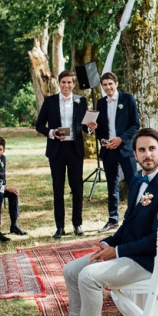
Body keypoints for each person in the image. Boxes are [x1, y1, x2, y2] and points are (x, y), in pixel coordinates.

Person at [54, 128, 158, 316]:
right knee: (71, 270)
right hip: (131, 251)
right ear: (134, 154)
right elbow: (128, 224)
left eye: (152, 149)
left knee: (89, 276)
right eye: (141, 150)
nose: (147, 155)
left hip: (151, 261)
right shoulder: (137, 181)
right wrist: (108, 242)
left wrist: (117, 251)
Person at [35, 69, 96, 239]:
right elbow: (39, 125)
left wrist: (90, 129)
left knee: (77, 188)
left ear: (74, 84)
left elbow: (84, 126)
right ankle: (60, 227)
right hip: (57, 150)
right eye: (64, 82)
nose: (67, 85)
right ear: (59, 83)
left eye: (70, 82)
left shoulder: (81, 101)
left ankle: (77, 224)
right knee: (58, 189)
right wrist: (52, 132)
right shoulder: (50, 102)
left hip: (75, 150)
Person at [94, 71, 140, 233]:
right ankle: (113, 219)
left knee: (133, 182)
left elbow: (135, 124)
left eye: (110, 84)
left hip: (125, 148)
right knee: (111, 184)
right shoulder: (100, 103)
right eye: (105, 85)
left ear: (116, 84)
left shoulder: (128, 99)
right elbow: (99, 128)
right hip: (108, 150)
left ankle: (135, 218)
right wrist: (103, 140)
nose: (108, 87)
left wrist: (121, 139)